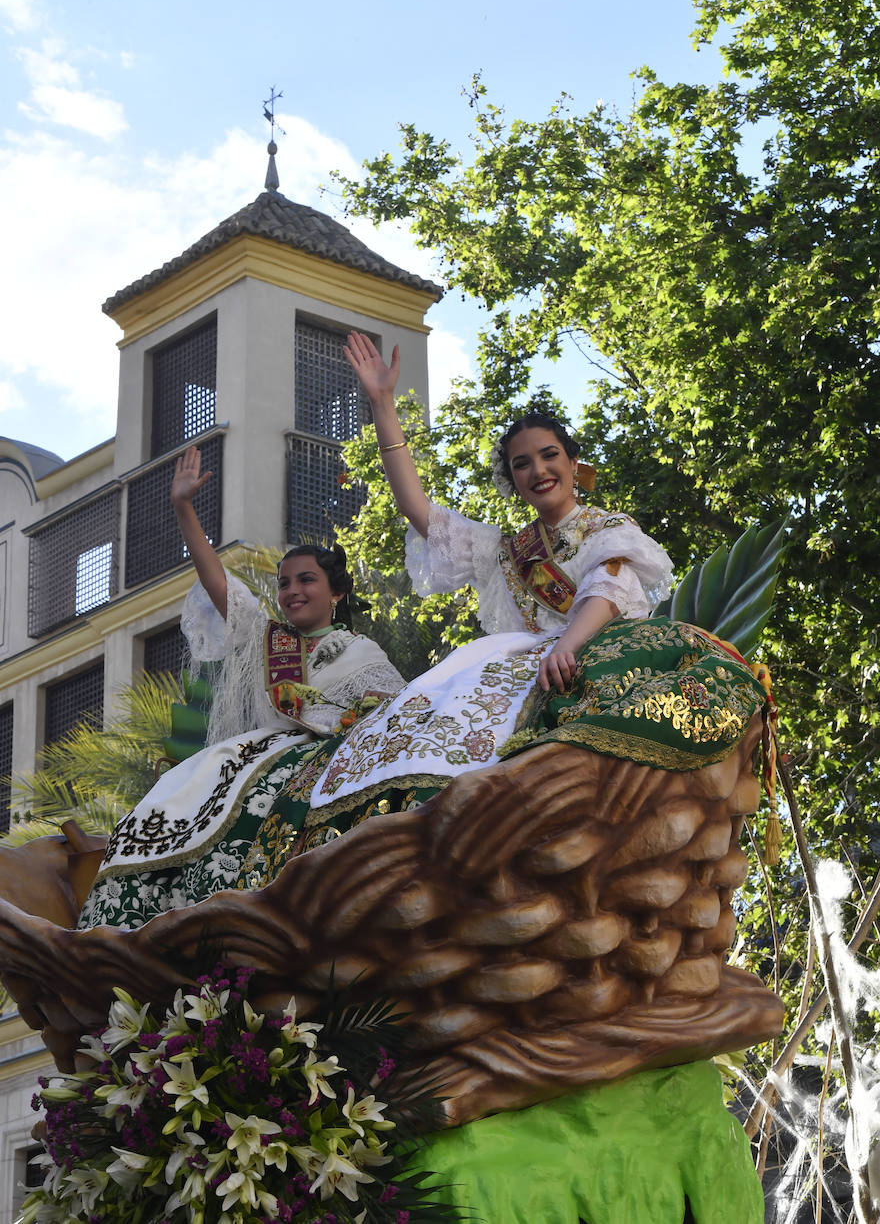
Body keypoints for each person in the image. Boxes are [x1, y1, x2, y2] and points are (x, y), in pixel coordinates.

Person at [255, 333, 767, 855]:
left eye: (549, 456)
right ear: (513, 479)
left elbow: (603, 591)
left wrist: (567, 647)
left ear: (572, 464)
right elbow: (419, 510)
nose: (538, 470)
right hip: (521, 669)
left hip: (591, 653)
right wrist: (383, 405)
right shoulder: (502, 549)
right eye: (522, 463)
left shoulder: (608, 529)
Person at [77, 446, 405, 930]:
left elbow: (394, 720)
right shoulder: (263, 638)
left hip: (328, 767)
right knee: (177, 797)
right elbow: (219, 583)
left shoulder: (366, 654)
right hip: (255, 760)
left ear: (336, 593)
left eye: (306, 580)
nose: (292, 591)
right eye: (285, 582)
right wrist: (183, 508)